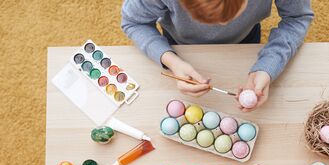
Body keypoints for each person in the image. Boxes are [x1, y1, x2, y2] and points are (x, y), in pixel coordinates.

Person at [121, 0, 314, 111]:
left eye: (234, 14)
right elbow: (133, 22)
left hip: (246, 40)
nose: (221, 26)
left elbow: (297, 17)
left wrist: (269, 65)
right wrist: (171, 60)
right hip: (179, 44)